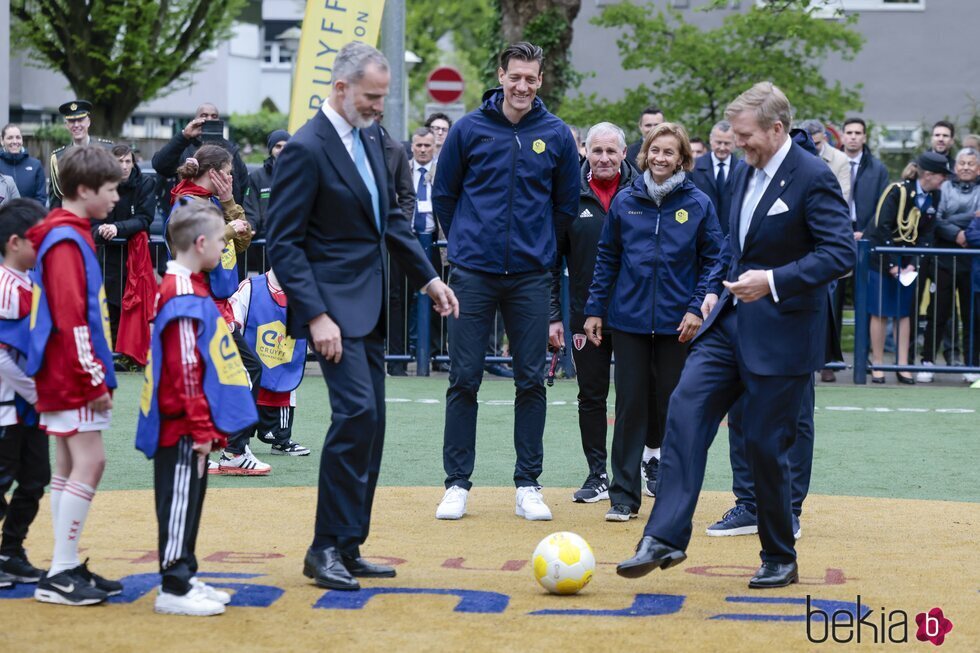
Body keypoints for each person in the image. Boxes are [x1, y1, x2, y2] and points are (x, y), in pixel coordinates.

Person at [615, 82, 855, 589]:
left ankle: (778, 555)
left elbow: (839, 254)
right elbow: (733, 246)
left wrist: (771, 281)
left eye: (745, 135)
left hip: (784, 334)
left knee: (765, 447)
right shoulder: (745, 175)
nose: (737, 142)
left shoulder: (811, 177)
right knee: (684, 410)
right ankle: (665, 537)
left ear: (776, 128)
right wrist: (711, 294)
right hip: (727, 324)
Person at [265, 41, 457, 592]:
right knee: (354, 417)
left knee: (371, 423)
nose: (379, 107)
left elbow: (390, 223)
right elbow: (284, 242)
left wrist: (429, 277)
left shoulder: (373, 137)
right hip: (334, 313)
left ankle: (348, 545)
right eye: (372, 97)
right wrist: (316, 315)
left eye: (383, 97)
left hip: (370, 309)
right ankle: (323, 548)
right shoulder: (305, 148)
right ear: (341, 87)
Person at [432, 41, 579, 522]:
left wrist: (542, 252)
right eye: (515, 77)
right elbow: (445, 194)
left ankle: (528, 484)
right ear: (501, 75)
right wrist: (467, 243)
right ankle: (456, 484)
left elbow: (564, 206)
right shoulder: (469, 129)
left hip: (531, 277)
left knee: (531, 381)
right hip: (473, 275)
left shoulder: (555, 134)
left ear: (540, 81)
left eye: (531, 79)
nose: (522, 86)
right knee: (463, 379)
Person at [583, 122, 723, 522]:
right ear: (644, 154)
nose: (661, 158)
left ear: (682, 158)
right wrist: (595, 309)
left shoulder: (698, 204)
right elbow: (607, 259)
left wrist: (697, 308)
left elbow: (714, 259)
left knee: (676, 411)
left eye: (670, 152)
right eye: (655, 151)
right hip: (627, 323)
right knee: (629, 409)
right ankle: (623, 497)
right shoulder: (627, 202)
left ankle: (675, 495)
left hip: (678, 327)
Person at [135, 198, 257, 616]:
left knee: (190, 498)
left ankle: (185, 572)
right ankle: (173, 585)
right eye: (222, 243)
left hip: (189, 423)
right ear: (201, 243)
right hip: (182, 426)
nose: (225, 249)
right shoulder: (183, 292)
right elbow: (186, 371)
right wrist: (203, 428)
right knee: (179, 500)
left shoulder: (188, 286)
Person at [26, 146, 125, 605]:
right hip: (70, 366)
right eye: (111, 189)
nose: (118, 198)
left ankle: (62, 567)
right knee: (90, 461)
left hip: (59, 365)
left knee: (69, 465)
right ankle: (61, 571)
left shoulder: (63, 233)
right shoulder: (66, 239)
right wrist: (93, 377)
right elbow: (72, 316)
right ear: (84, 191)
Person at [550, 122, 639, 504]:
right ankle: (597, 473)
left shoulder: (643, 192)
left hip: (637, 315)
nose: (604, 158)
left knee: (639, 395)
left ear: (623, 154)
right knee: (591, 395)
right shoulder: (569, 195)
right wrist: (554, 313)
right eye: (596, 151)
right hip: (584, 317)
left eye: (611, 152)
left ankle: (639, 468)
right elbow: (551, 262)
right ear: (584, 151)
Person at [168, 145, 263, 474]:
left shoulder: (215, 203)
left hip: (221, 303)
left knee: (223, 374)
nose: (233, 177)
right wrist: (227, 228)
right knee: (246, 370)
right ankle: (232, 451)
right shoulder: (186, 202)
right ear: (215, 174)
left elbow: (244, 241)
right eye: (229, 172)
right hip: (204, 303)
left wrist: (229, 206)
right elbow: (191, 247)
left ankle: (216, 447)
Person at [865, 152, 947, 384]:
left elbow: (927, 235)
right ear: (928, 174)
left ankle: (902, 364)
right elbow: (882, 228)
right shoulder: (898, 191)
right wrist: (892, 266)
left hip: (906, 260)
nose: (944, 180)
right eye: (942, 175)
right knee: (880, 311)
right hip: (882, 256)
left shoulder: (935, 195)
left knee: (904, 313)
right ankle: (878, 362)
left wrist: (913, 264)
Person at [0, 199, 48, 587]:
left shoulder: (29, 282)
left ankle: (10, 552)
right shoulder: (5, 287)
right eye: (38, 239)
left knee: (35, 479)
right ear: (15, 243)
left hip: (28, 407)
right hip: (7, 406)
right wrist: (34, 392)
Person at [230, 268, 311, 456]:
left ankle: (282, 440)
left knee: (286, 387)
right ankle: (237, 443)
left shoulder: (306, 293)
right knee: (244, 392)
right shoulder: (250, 287)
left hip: (283, 362)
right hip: (250, 365)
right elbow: (233, 318)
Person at [918, 147, 980, 383]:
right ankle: (927, 361)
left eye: (971, 163)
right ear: (955, 167)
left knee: (971, 314)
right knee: (938, 311)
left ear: (978, 168)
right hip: (944, 257)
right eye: (962, 163)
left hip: (973, 260)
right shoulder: (943, 188)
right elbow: (937, 219)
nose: (965, 167)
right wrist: (959, 231)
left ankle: (972, 363)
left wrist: (958, 224)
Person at [95, 144, 155, 346]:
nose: (124, 166)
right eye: (119, 161)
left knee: (133, 305)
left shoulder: (145, 182)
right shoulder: (100, 184)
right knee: (109, 306)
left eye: (128, 161)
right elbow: (92, 221)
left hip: (134, 256)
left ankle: (130, 353)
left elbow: (144, 219)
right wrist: (102, 231)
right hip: (106, 255)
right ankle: (111, 352)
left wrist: (117, 228)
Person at [152, 103, 250, 204]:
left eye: (214, 116)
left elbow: (243, 183)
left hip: (226, 213)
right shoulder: (184, 146)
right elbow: (159, 165)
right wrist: (184, 136)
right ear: (195, 120)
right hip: (191, 209)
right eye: (204, 116)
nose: (209, 119)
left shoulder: (230, 149)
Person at [48, 100, 114, 207]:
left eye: (80, 120)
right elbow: (55, 200)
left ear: (88, 122)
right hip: (72, 219)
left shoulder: (107, 150)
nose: (76, 125)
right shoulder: (58, 157)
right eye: (72, 121)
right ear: (66, 125)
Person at [690, 120, 746, 236]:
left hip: (731, 235)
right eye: (718, 142)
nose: (722, 147)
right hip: (701, 233)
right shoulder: (694, 167)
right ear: (711, 140)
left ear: (735, 143)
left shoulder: (743, 169)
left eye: (727, 143)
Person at [243, 129, 289, 239]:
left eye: (286, 146)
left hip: (291, 239)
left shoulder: (299, 175)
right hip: (263, 242)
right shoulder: (256, 177)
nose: (282, 150)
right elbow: (250, 209)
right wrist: (251, 228)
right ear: (270, 149)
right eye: (278, 146)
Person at [800, 119, 851, 199]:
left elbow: (843, 195)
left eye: (816, 143)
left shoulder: (840, 159)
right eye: (809, 143)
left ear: (825, 138)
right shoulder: (795, 157)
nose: (812, 146)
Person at [0, 124, 47, 204]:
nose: (15, 141)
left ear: (22, 140)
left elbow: (41, 199)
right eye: (10, 138)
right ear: (2, 141)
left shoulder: (35, 165)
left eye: (18, 137)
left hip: (30, 215)